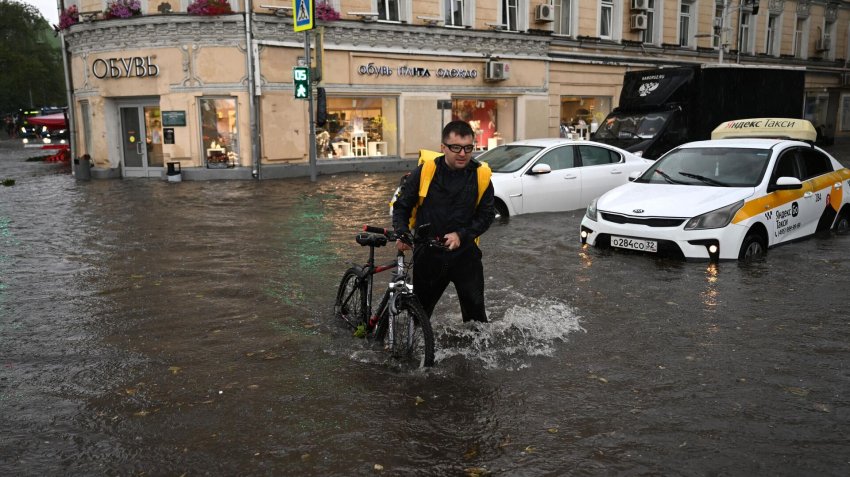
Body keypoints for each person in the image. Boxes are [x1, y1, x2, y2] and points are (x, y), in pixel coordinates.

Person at [391, 120, 496, 323]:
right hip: (428, 255)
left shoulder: (481, 176)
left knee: (476, 317)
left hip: (465, 255)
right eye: (456, 148)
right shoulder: (425, 171)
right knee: (419, 314)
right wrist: (402, 232)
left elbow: (486, 216)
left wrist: (461, 235)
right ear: (443, 148)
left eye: (468, 148)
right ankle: (415, 349)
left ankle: (475, 352)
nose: (463, 154)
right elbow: (402, 205)